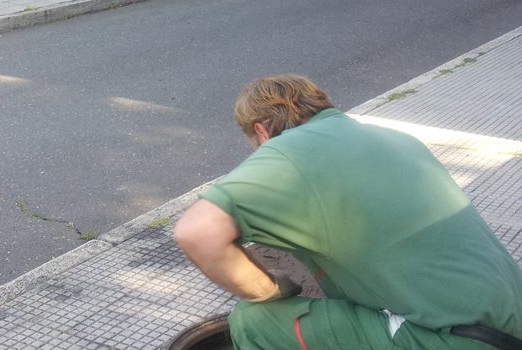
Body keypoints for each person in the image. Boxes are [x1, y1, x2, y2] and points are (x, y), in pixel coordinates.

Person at [173, 74, 522, 349]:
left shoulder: (285, 153)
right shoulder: (395, 138)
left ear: (262, 131)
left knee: (254, 321)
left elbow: (198, 232)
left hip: (454, 340)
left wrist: (268, 292)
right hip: (506, 322)